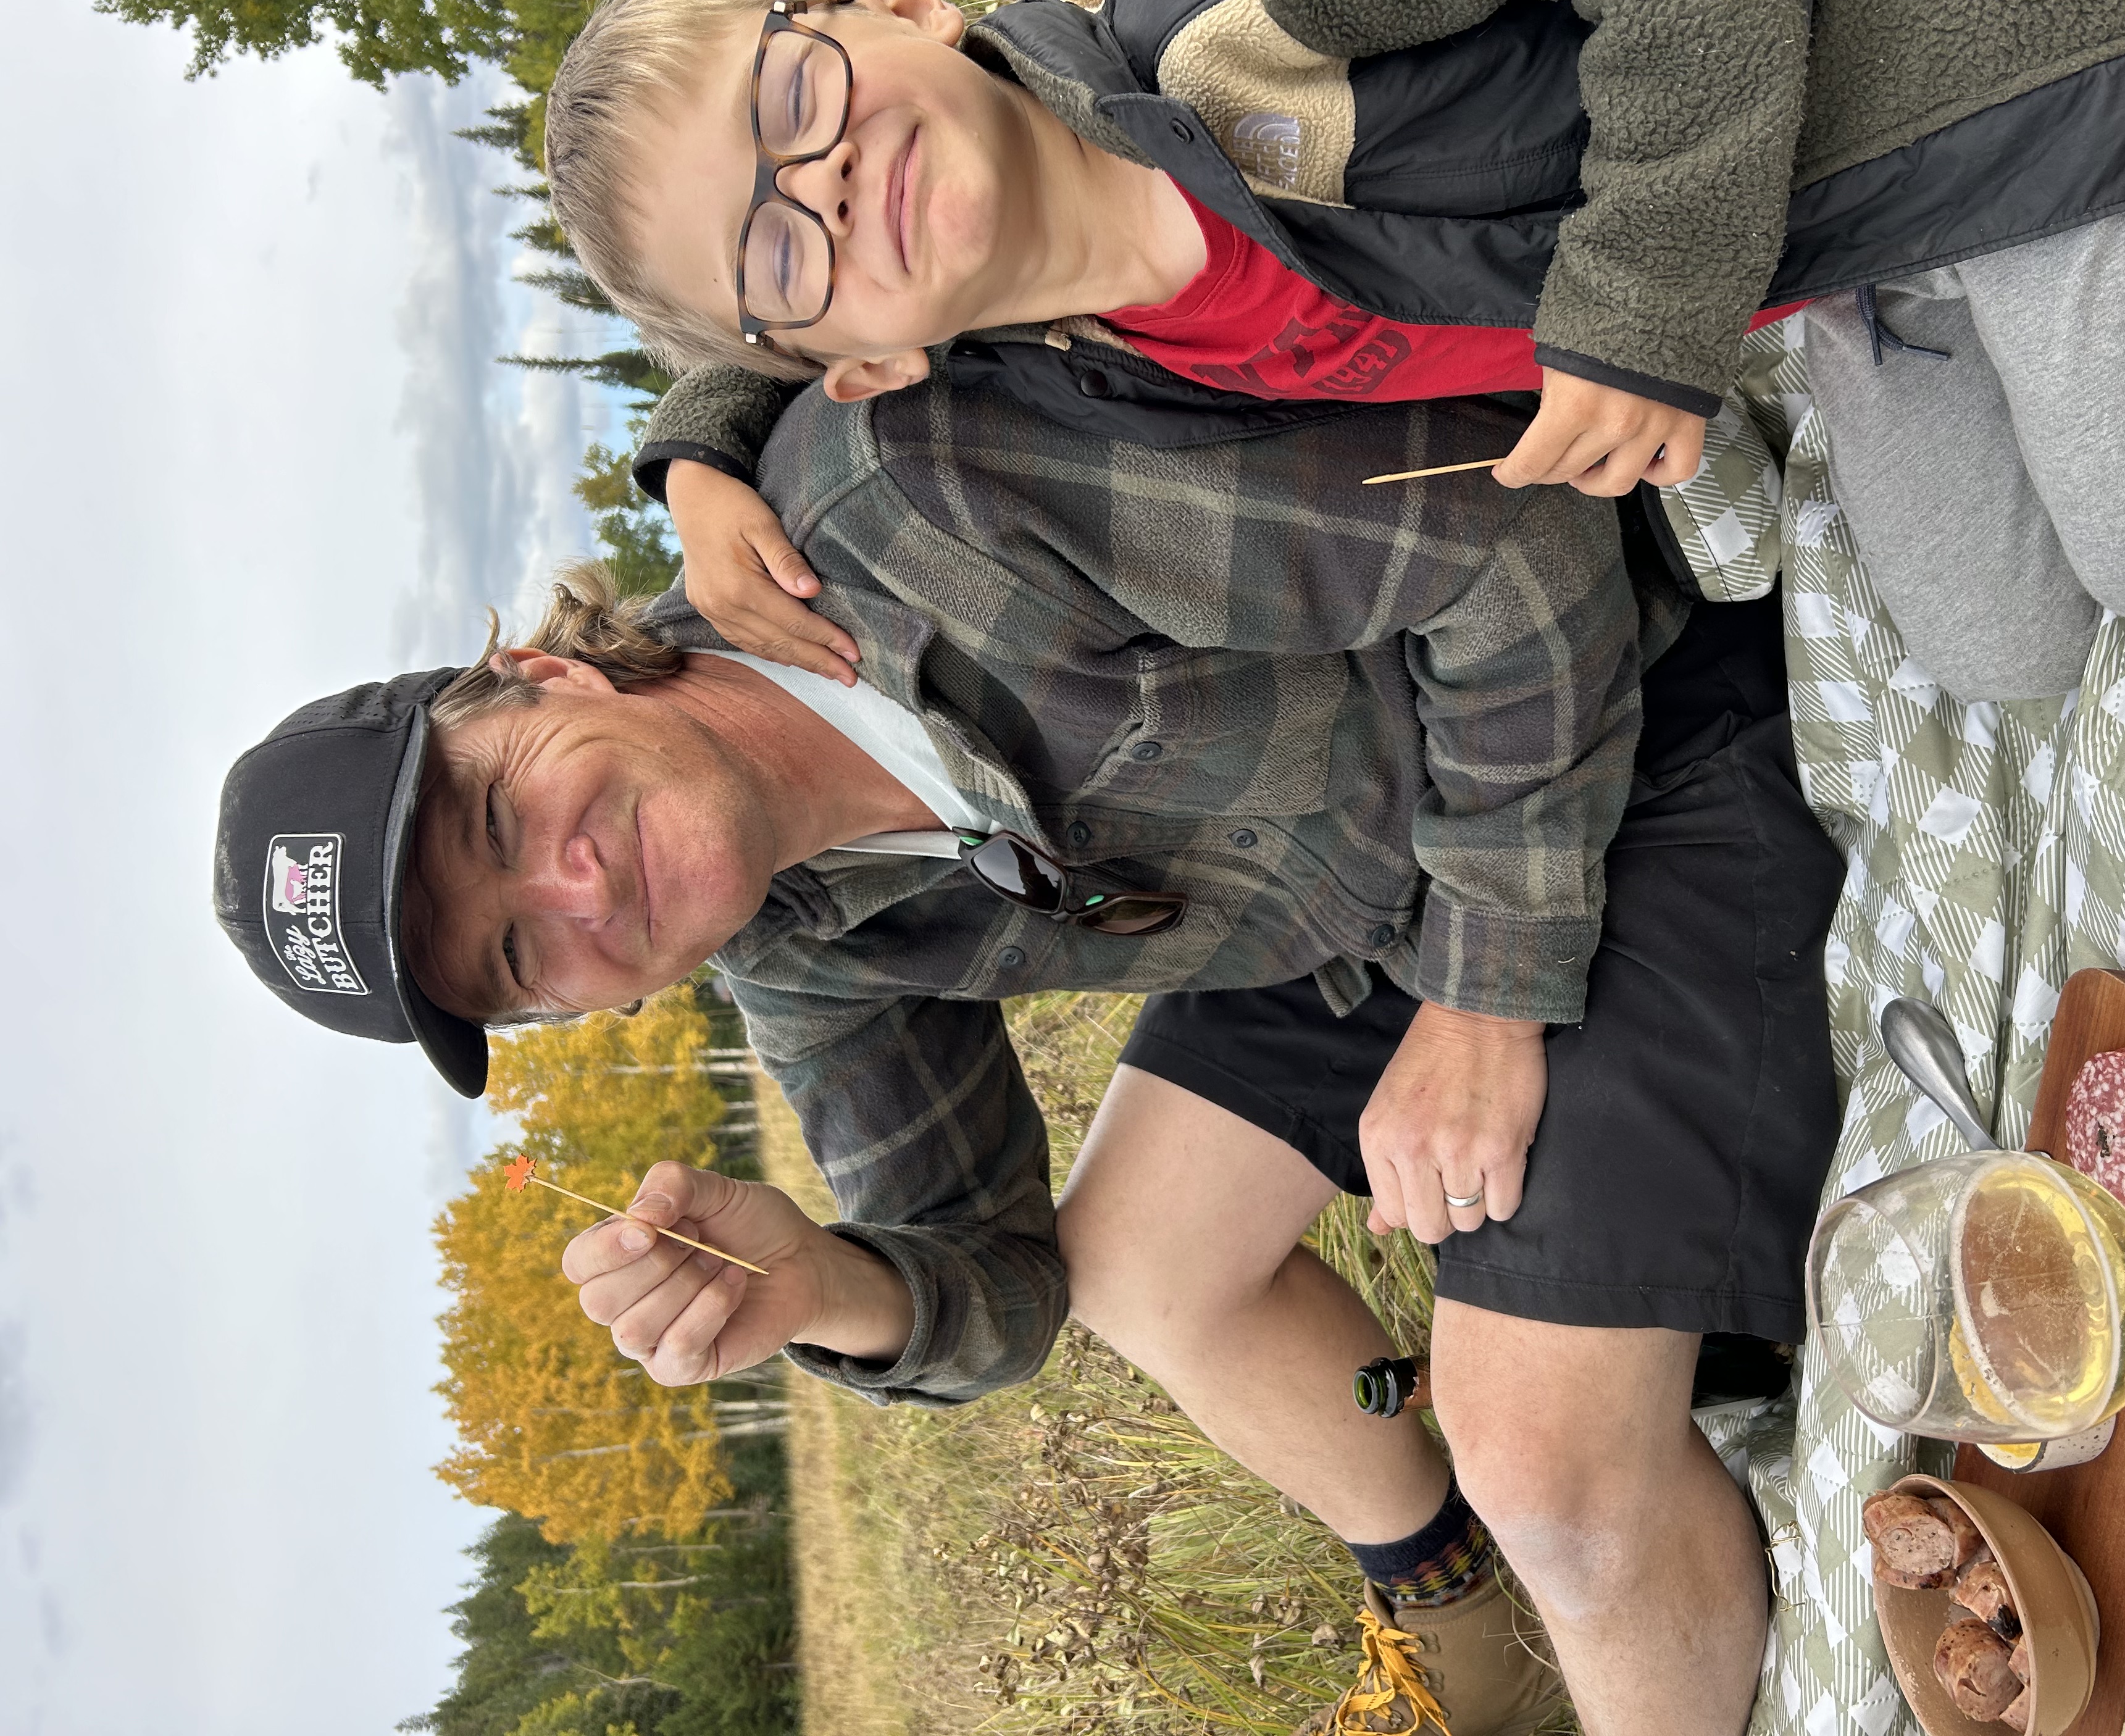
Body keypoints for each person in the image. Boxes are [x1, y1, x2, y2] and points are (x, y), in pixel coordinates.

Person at [215, 378, 1843, 1735]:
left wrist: (1486, 996)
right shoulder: (790, 942)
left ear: (541, 674)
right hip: (1361, 913)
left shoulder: (898, 517)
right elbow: (1002, 1285)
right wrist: (822, 1293)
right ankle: (1448, 1604)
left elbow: (1514, 547)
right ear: (569, 1017)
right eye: (515, 958)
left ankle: (1578, 1516)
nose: (574, 890)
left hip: (1619, 722)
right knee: (1140, 1263)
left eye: (502, 811)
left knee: (1543, 1458)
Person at [538, 0, 2125, 699]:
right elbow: (806, 364)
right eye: (781, 246)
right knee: (1999, 653)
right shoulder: (1082, 365)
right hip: (1840, 235)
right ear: (857, 369)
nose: (826, 180)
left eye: (794, 96)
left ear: (902, 2)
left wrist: (1650, 304)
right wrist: (704, 437)